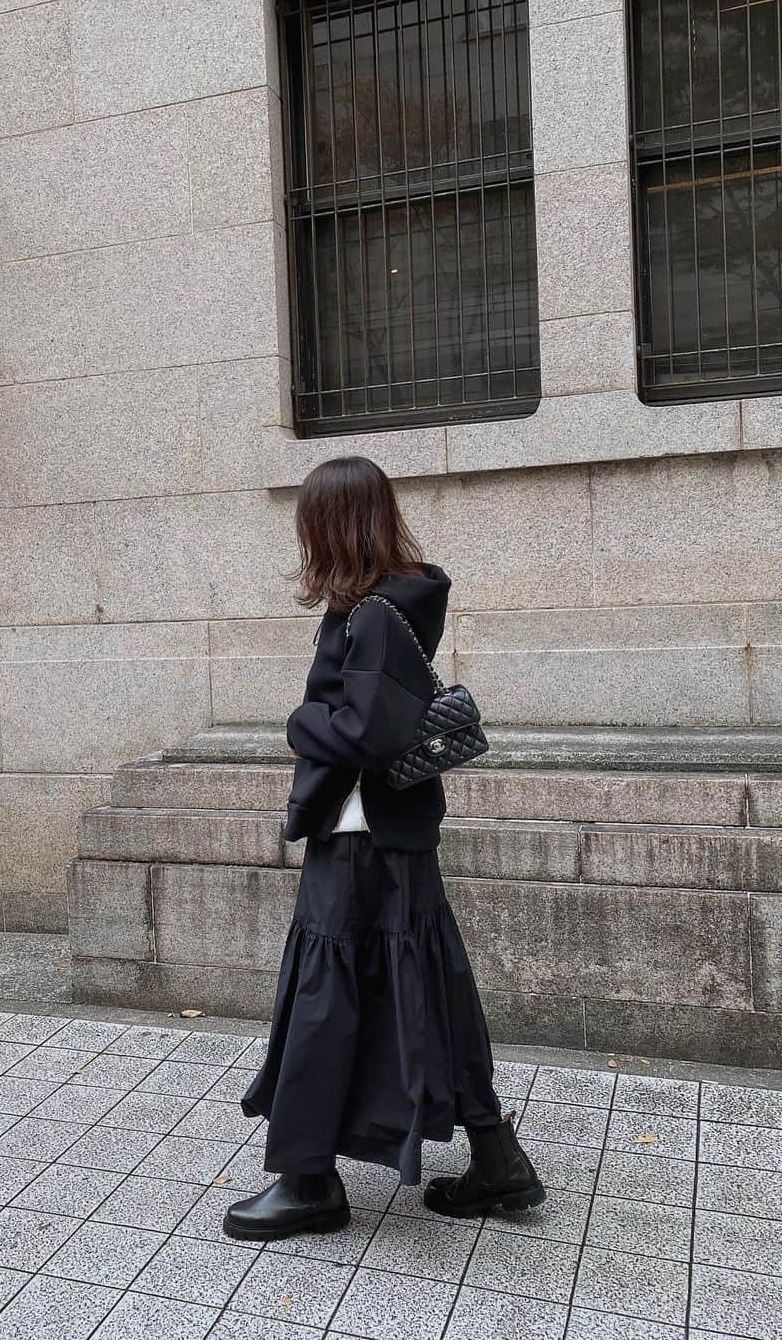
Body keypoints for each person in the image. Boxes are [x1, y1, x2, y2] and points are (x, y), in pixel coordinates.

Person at [223, 456, 545, 1241]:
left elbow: (367, 730)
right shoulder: (394, 603)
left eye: (310, 523)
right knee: (431, 987)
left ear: (331, 525)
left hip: (361, 836)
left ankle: (307, 1182)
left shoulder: (369, 615)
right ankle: (498, 1162)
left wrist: (299, 724)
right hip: (395, 838)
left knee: (325, 995)